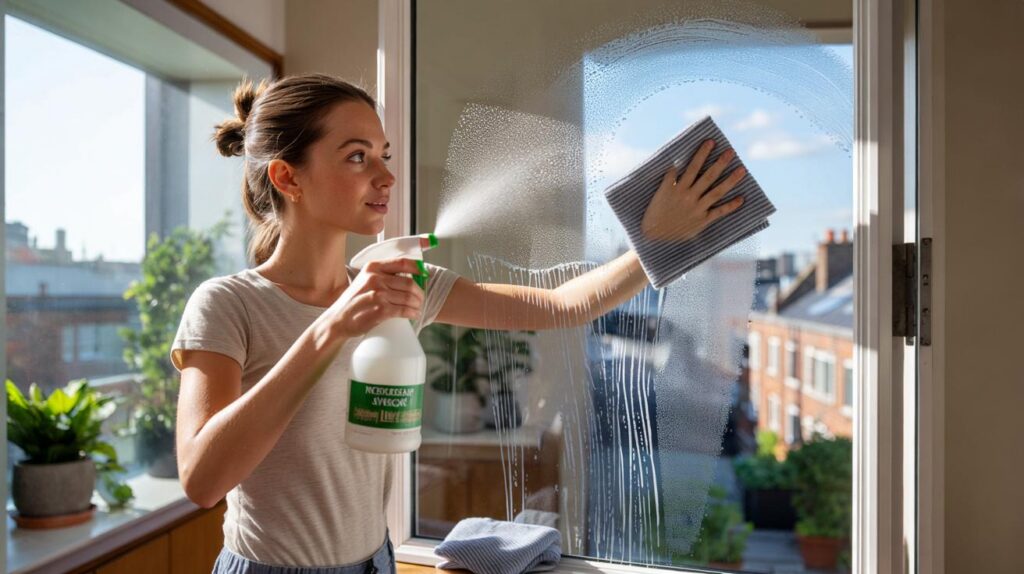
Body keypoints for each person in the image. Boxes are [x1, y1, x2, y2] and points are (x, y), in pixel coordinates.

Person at [172, 73, 745, 574]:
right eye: (356, 156)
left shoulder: (396, 289)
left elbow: (559, 305)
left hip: (377, 562)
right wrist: (330, 330)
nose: (385, 176)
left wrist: (655, 242)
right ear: (288, 178)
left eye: (384, 154)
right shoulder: (227, 304)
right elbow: (201, 479)